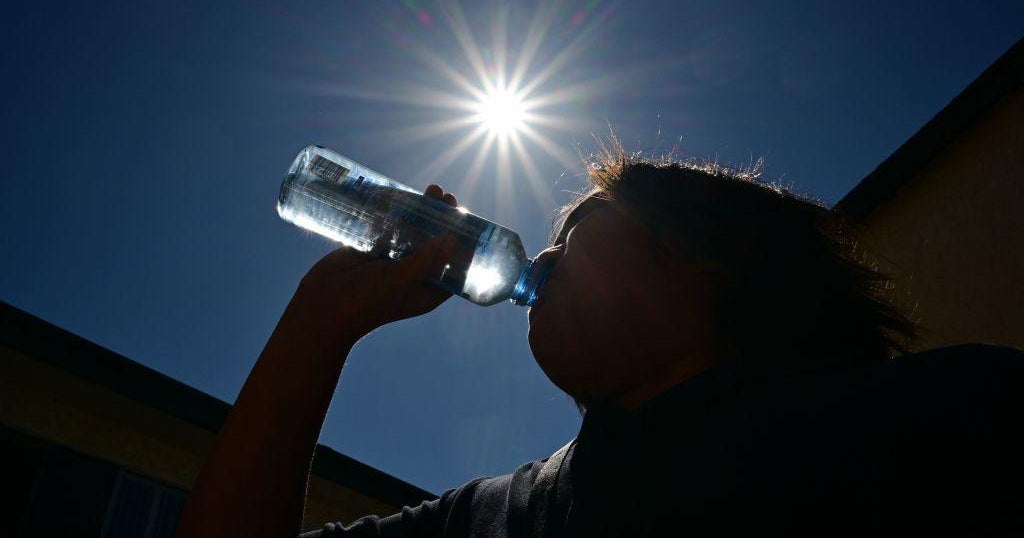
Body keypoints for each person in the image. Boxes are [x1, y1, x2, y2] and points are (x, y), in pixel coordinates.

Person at [177, 143, 1023, 538]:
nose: (542, 254)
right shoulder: (496, 516)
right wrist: (314, 329)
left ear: (706, 260)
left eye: (578, 230)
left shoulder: (945, 420)